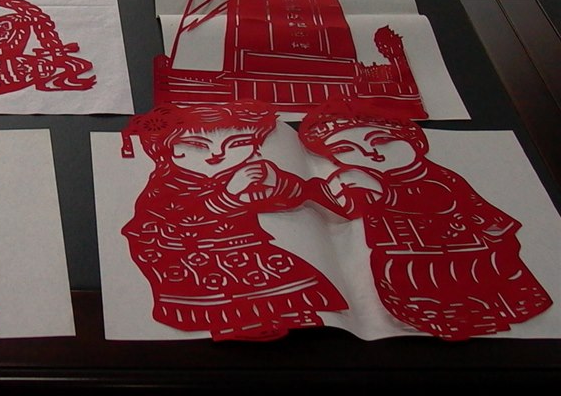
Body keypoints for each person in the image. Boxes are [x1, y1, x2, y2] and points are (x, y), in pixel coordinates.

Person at [299, 97, 553, 340]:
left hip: (463, 254)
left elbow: (446, 203)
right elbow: (344, 207)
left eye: (381, 141)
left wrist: (385, 195)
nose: (370, 153)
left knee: (472, 290)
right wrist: (315, 191)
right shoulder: (361, 179)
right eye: (345, 149)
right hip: (402, 258)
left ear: (412, 141)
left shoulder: (435, 177)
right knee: (422, 296)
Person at [121, 101, 347, 341]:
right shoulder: (167, 184)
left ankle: (293, 318)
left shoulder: (245, 171)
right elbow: (181, 216)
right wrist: (228, 194)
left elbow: (290, 195)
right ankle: (235, 325)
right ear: (169, 148)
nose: (218, 154)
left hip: (250, 250)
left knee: (287, 281)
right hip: (191, 255)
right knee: (221, 299)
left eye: (237, 144)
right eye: (197, 145)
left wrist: (275, 181)